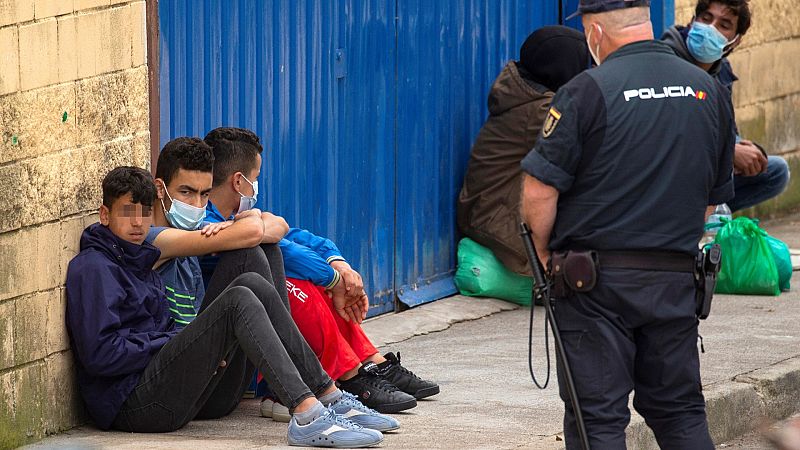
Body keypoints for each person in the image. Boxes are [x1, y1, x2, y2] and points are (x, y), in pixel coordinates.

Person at [520, 1, 735, 448]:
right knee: (680, 412)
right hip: (676, 280)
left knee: (596, 419)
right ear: (645, 24)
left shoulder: (585, 91)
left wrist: (542, 256)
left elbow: (539, 190)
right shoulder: (708, 91)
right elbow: (710, 202)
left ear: (595, 33)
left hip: (594, 287)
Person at [65, 166, 389, 447]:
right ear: (105, 214)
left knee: (252, 283)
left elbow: (162, 332)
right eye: (127, 211)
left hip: (172, 392)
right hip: (134, 405)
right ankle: (306, 414)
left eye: (144, 211)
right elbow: (101, 356)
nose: (137, 223)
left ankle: (327, 395)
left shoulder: (138, 259)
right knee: (238, 299)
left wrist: (194, 349)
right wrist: (175, 344)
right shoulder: (94, 268)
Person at [202, 127, 439, 416]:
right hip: (237, 351)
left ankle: (371, 362)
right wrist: (334, 279)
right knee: (298, 283)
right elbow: (286, 251)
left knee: (310, 276)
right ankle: (347, 377)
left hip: (254, 335)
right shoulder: (209, 225)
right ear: (239, 181)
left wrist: (337, 263)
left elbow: (297, 236)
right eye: (256, 179)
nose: (256, 185)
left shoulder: (240, 216)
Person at [457, 25, 590, 275]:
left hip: (487, 211)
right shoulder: (542, 110)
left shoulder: (530, 96)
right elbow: (593, 155)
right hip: (495, 219)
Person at [662, 0, 790, 212]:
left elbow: (724, 130)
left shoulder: (721, 72)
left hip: (705, 168)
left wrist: (746, 150)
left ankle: (710, 215)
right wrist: (728, 152)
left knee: (775, 172)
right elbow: (668, 133)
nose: (711, 28)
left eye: (724, 25)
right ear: (693, 21)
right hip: (672, 168)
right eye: (706, 18)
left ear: (735, 41)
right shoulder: (666, 61)